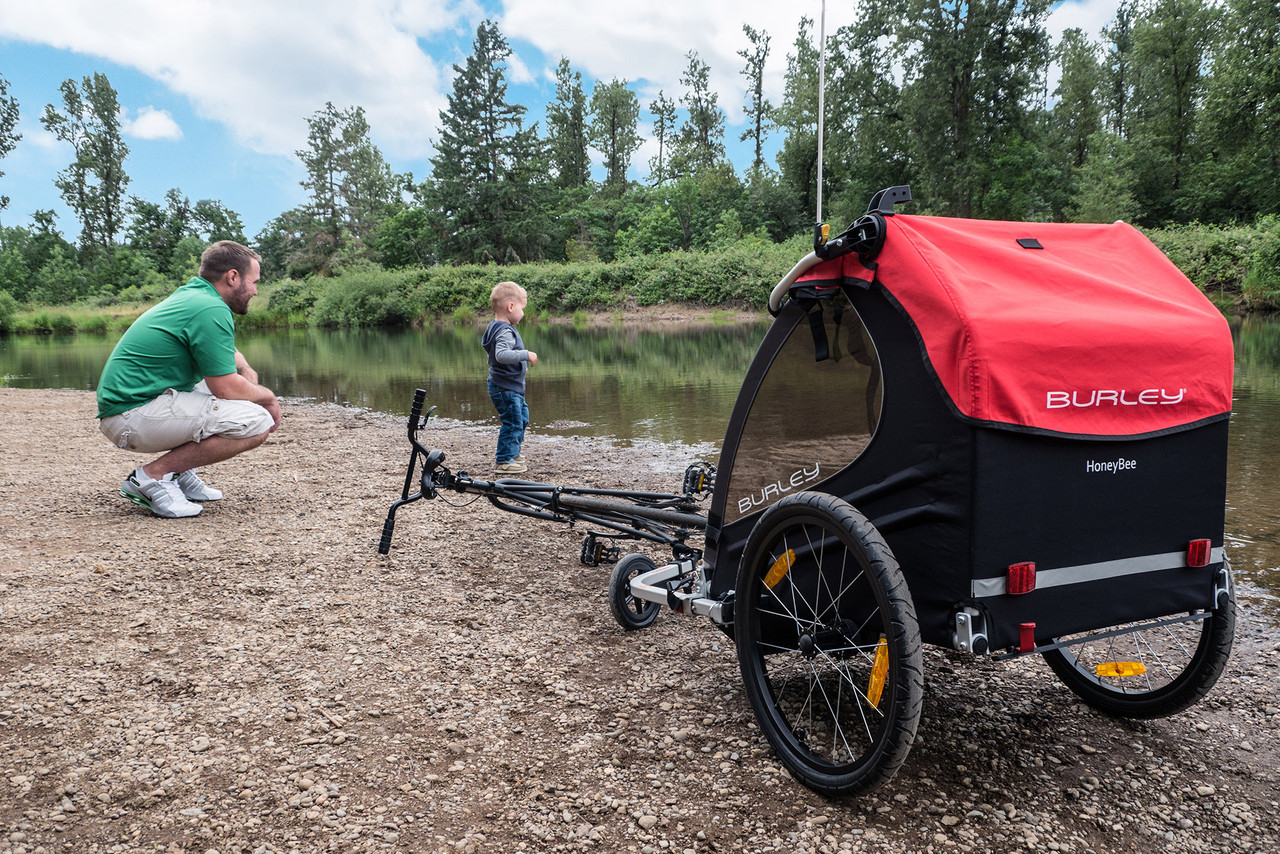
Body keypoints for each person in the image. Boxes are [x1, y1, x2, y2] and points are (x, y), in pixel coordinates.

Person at [96, 240, 281, 518]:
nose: (256, 290)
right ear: (233, 277)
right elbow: (226, 387)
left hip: (129, 409)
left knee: (213, 387)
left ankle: (179, 475)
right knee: (258, 420)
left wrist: (246, 370)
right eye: (254, 282)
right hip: (130, 417)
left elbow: (223, 352)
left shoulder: (195, 297)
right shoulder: (210, 308)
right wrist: (268, 398)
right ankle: (152, 477)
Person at [481, 280, 538, 474]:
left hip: (509, 386)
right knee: (513, 420)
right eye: (522, 308)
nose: (523, 313)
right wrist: (525, 354)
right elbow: (502, 355)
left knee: (522, 418)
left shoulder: (495, 327)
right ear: (511, 306)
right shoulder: (504, 331)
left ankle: (512, 453)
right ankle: (504, 460)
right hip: (504, 388)